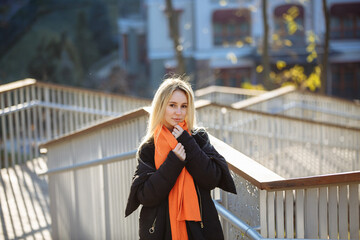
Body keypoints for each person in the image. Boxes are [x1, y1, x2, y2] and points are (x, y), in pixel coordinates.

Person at [125, 77, 236, 240]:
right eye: (172, 105)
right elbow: (145, 195)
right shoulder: (149, 148)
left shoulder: (198, 138)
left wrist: (188, 143)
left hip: (200, 229)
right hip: (162, 231)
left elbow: (212, 179)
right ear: (161, 106)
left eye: (184, 106)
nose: (179, 112)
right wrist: (174, 161)